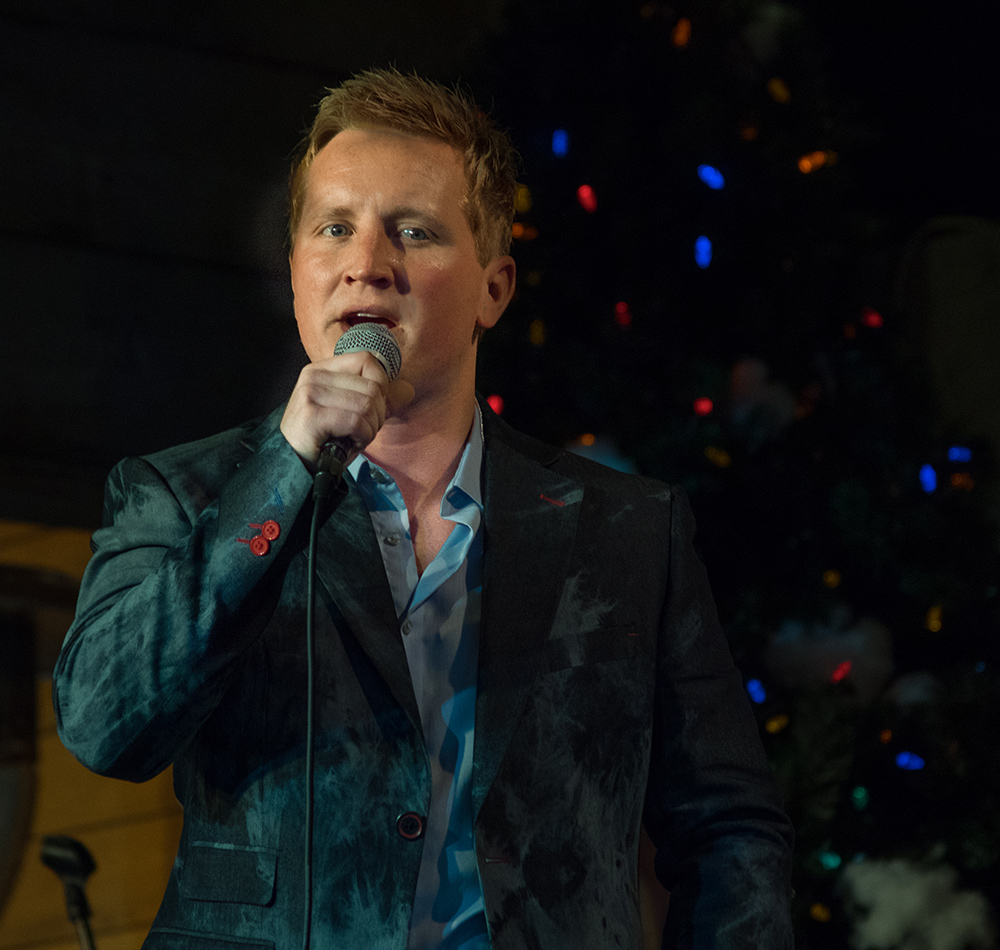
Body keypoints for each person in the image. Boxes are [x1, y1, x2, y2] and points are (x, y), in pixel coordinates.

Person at [53, 68, 794, 949]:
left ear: (493, 288)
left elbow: (729, 831)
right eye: (335, 227)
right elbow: (105, 729)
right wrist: (286, 469)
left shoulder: (628, 530)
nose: (367, 263)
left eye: (413, 230)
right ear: (296, 272)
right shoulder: (184, 495)